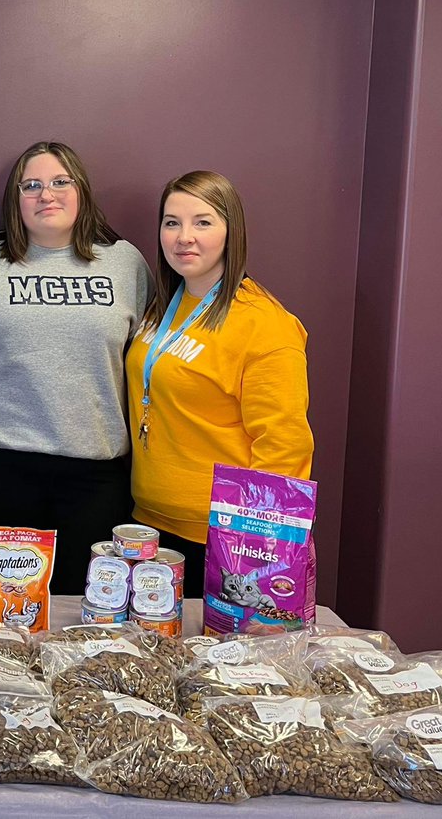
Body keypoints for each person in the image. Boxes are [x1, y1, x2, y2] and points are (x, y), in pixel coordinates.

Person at [0, 141, 151, 596]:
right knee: (4, 622)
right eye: (32, 185)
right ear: (14, 199)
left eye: (61, 182)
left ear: (82, 192)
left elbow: (148, 360)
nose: (48, 194)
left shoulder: (124, 263)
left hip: (95, 474)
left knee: (86, 619)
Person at [125, 170, 314, 597]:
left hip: (219, 538)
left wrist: (255, 549)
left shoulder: (265, 325)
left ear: (233, 232)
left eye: (203, 222)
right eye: (172, 222)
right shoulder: (166, 305)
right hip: (147, 524)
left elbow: (285, 445)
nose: (183, 236)